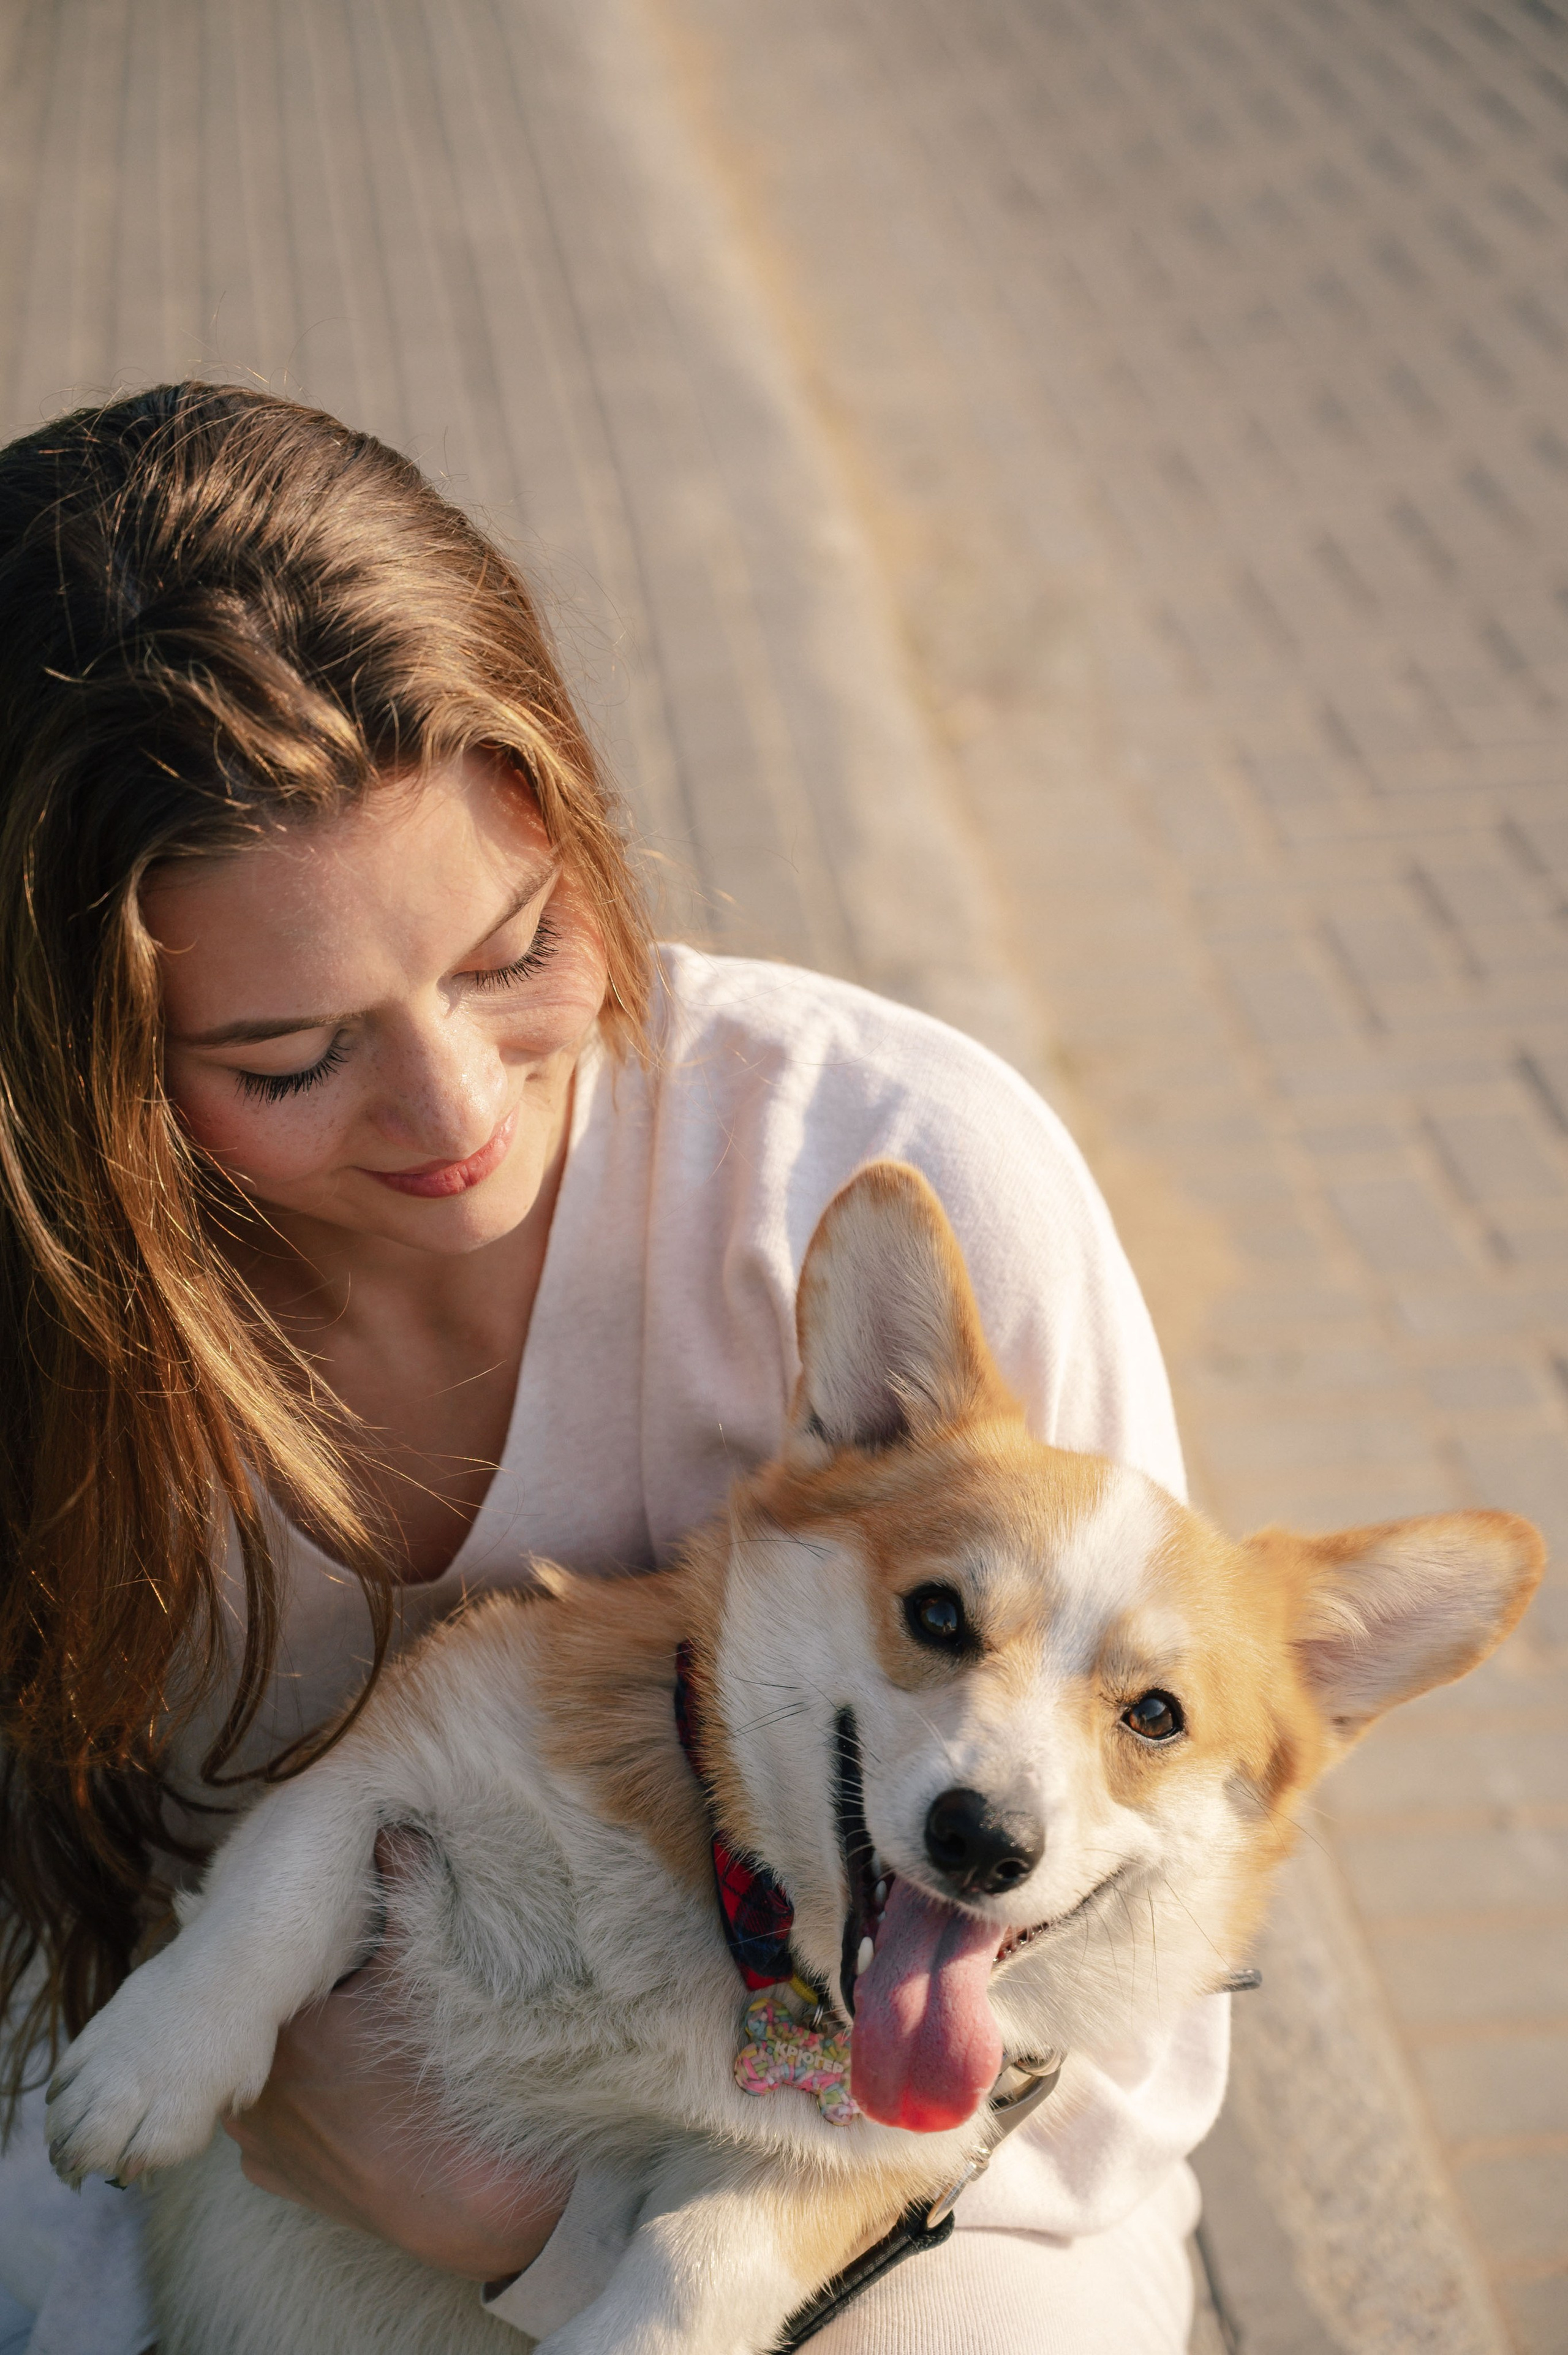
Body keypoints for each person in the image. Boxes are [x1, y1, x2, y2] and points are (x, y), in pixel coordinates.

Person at [0, 384, 1223, 2355]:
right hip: (216, 2191)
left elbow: (1103, 2050)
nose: (455, 1104)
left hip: (863, 2244)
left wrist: (526, 2241)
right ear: (77, 1083)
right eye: (290, 1058)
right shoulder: (48, 1313)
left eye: (512, 947)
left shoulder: (884, 1156)